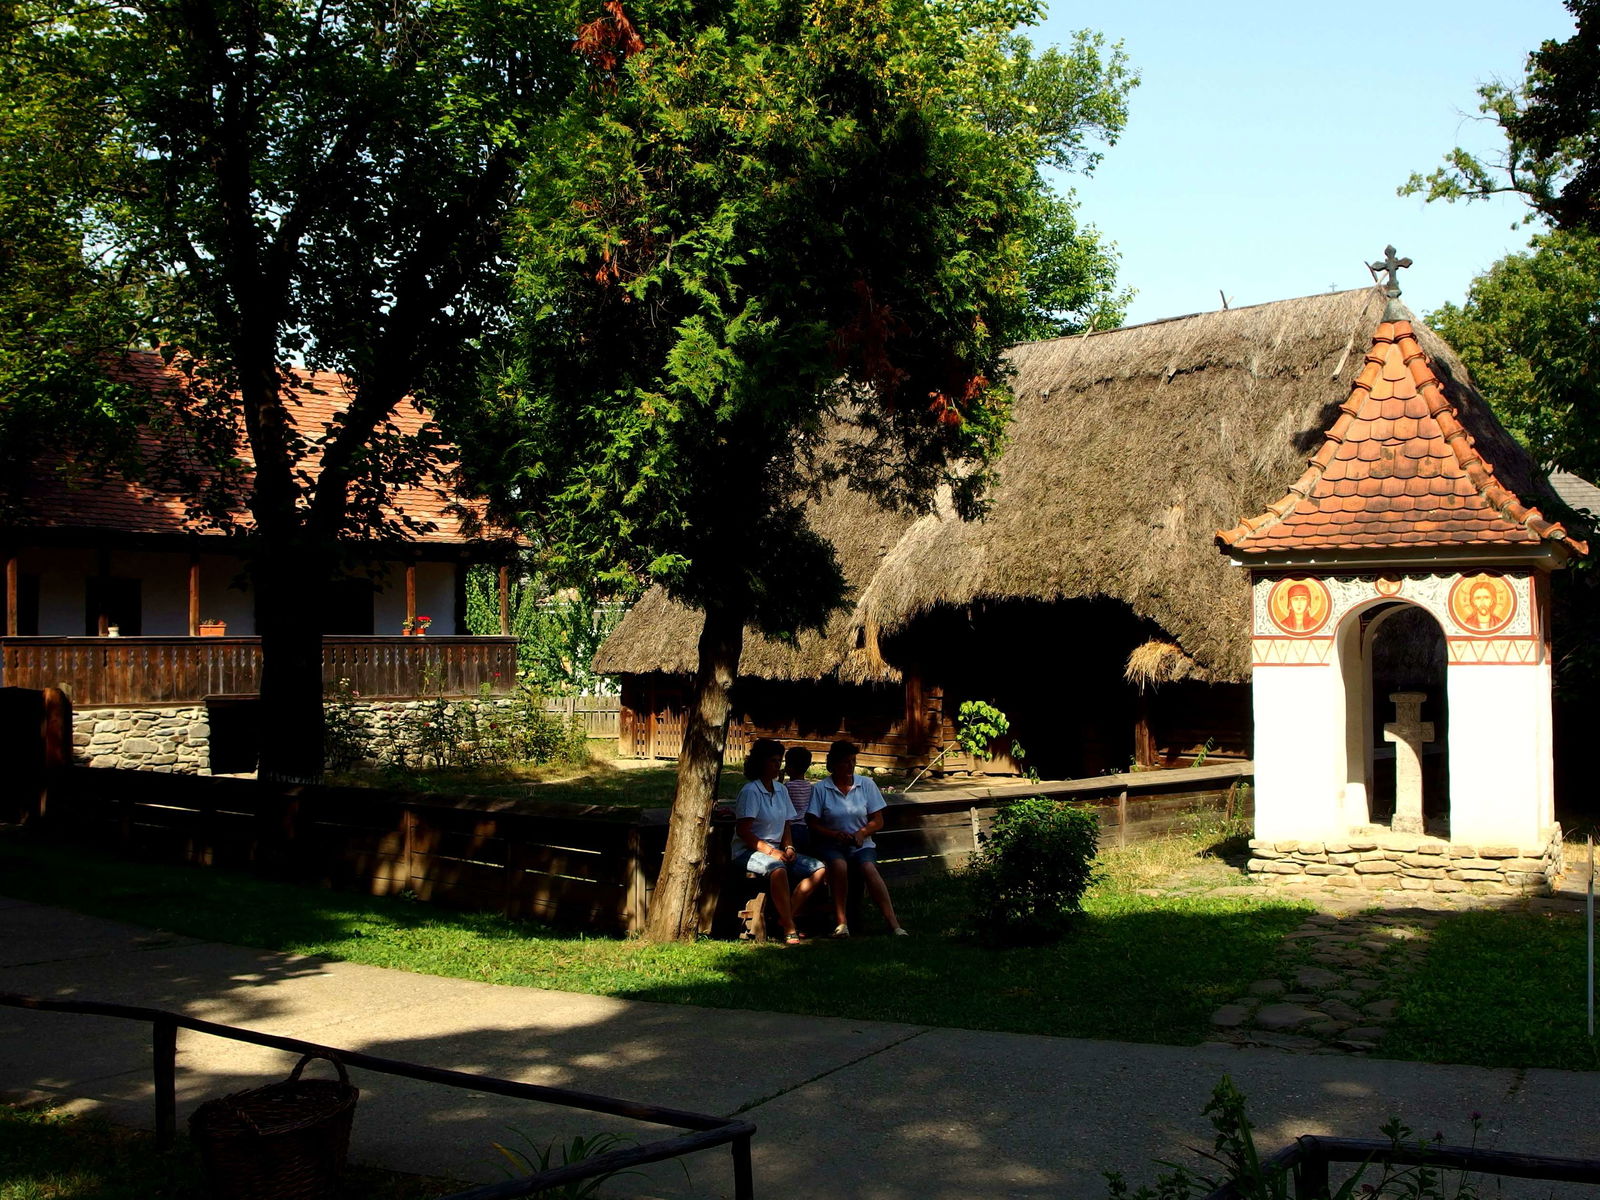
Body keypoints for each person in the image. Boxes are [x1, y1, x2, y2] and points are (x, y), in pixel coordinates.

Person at [805, 739, 906, 937]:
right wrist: (834, 834)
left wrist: (861, 833)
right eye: (845, 762)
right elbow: (813, 823)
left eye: (853, 761)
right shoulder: (821, 788)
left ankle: (894, 924)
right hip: (832, 844)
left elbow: (878, 820)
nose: (850, 766)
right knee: (840, 865)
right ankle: (842, 923)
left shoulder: (866, 784)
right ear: (833, 764)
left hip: (861, 844)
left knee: (868, 867)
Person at [732, 738, 825, 944]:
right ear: (760, 763)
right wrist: (771, 852)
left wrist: (789, 847)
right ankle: (790, 926)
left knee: (818, 869)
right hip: (748, 851)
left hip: (777, 849)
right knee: (778, 868)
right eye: (773, 761)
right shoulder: (751, 791)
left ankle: (785, 917)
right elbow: (744, 832)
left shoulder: (782, 789)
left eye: (779, 761)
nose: (778, 765)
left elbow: (786, 824)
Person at [782, 745, 815, 854]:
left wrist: (779, 781)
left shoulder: (787, 787)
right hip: (805, 828)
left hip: (790, 829)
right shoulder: (810, 786)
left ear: (790, 767)